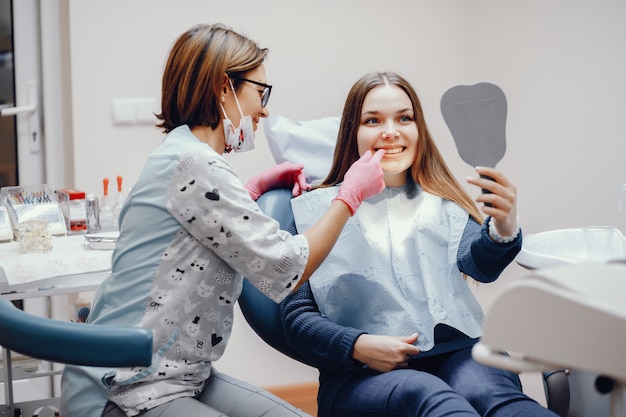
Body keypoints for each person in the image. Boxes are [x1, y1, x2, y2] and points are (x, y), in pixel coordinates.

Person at [60, 24, 385, 417]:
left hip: (183, 375)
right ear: (223, 87)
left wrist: (247, 192)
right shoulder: (198, 164)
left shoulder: (182, 153)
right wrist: (349, 196)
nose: (265, 108)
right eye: (260, 91)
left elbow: (192, 232)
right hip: (127, 384)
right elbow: (287, 266)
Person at [280, 72, 560, 417]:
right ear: (353, 132)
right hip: (362, 373)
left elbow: (481, 265)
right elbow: (296, 318)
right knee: (432, 399)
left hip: (458, 353)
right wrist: (357, 345)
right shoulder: (316, 212)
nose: (391, 131)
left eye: (404, 118)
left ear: (419, 129)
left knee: (500, 401)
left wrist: (502, 227)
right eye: (373, 120)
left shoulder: (443, 203)